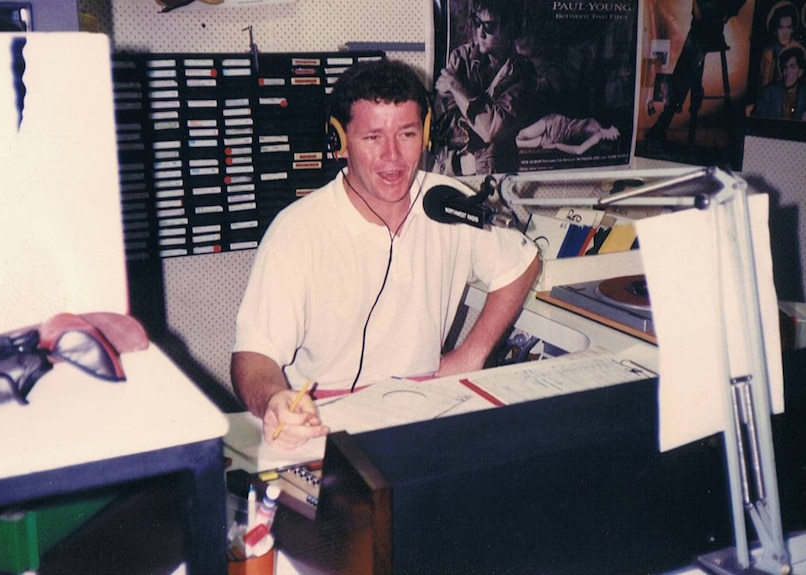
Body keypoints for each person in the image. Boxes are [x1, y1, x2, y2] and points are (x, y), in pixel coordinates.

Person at [230, 60, 541, 449]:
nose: (393, 157)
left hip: (425, 409)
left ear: (426, 134)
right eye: (373, 138)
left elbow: (523, 262)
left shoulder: (446, 201)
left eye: (407, 134)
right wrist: (274, 400)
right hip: (324, 417)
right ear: (339, 142)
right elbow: (253, 357)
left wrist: (471, 355)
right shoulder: (296, 232)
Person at [433, 0, 538, 175]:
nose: (479, 33)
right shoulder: (461, 58)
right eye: (477, 23)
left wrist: (457, 88)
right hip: (448, 168)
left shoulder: (524, 73)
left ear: (509, 29)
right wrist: (482, 118)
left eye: (488, 27)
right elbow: (444, 123)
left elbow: (491, 131)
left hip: (493, 174)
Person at [645, 0, 746, 142]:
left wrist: (728, 13)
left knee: (688, 59)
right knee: (690, 58)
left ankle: (668, 115)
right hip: (699, 30)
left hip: (712, 31)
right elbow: (697, 14)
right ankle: (690, 94)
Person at [514, 113, 621, 156]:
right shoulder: (599, 124)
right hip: (557, 122)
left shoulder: (597, 137)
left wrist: (557, 145)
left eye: (616, 138)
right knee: (524, 133)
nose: (614, 137)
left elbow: (578, 151)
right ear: (613, 127)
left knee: (518, 144)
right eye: (616, 134)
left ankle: (500, 146)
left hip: (557, 138)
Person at [753, 44, 806, 120]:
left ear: (800, 71)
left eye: (792, 67)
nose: (787, 72)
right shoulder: (767, 94)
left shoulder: (803, 95)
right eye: (785, 67)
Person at [759, 2, 803, 88]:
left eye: (789, 27)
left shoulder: (799, 52)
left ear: (793, 29)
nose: (785, 33)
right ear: (775, 30)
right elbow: (763, 85)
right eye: (781, 27)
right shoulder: (769, 52)